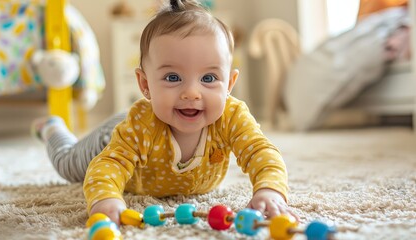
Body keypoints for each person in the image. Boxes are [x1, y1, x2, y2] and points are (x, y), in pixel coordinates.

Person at [32, 0, 297, 225]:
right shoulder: (138, 127)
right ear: (145, 84)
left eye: (208, 78)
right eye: (173, 77)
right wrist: (106, 199)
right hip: (117, 135)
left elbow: (261, 153)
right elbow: (107, 165)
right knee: (69, 165)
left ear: (229, 84)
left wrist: (270, 190)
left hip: (148, 118)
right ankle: (52, 127)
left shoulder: (232, 115)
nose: (192, 93)